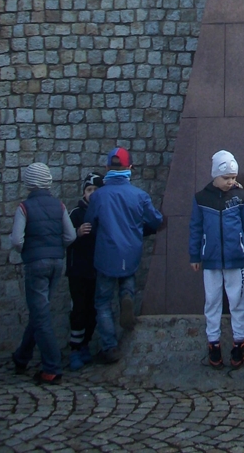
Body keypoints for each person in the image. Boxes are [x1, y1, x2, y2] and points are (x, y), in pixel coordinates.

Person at [84, 146, 164, 364]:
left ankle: (110, 347)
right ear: (131, 168)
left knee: (102, 302)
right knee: (127, 283)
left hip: (106, 254)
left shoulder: (98, 196)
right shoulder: (140, 196)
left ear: (107, 167)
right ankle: (127, 298)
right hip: (130, 251)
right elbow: (156, 220)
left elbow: (90, 223)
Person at [189, 150, 244, 369]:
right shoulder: (201, 198)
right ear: (215, 176)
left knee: (238, 301)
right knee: (212, 302)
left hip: (236, 259)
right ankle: (213, 342)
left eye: (233, 177)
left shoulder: (241, 197)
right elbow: (195, 227)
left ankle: (240, 341)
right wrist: (194, 254)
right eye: (226, 178)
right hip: (209, 260)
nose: (231, 182)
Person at [11, 162, 76, 384]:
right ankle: (22, 357)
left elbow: (17, 240)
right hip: (57, 262)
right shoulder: (59, 206)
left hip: (35, 263)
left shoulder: (24, 207)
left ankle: (52, 368)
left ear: (29, 183)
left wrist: (28, 249)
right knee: (39, 312)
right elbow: (70, 236)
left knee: (41, 316)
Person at [66, 172, 104, 370]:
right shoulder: (75, 214)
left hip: (96, 269)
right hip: (78, 270)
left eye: (96, 190)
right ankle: (75, 348)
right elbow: (65, 238)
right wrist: (77, 233)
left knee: (94, 310)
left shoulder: (104, 212)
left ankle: (85, 344)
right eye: (89, 190)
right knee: (78, 309)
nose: (92, 194)